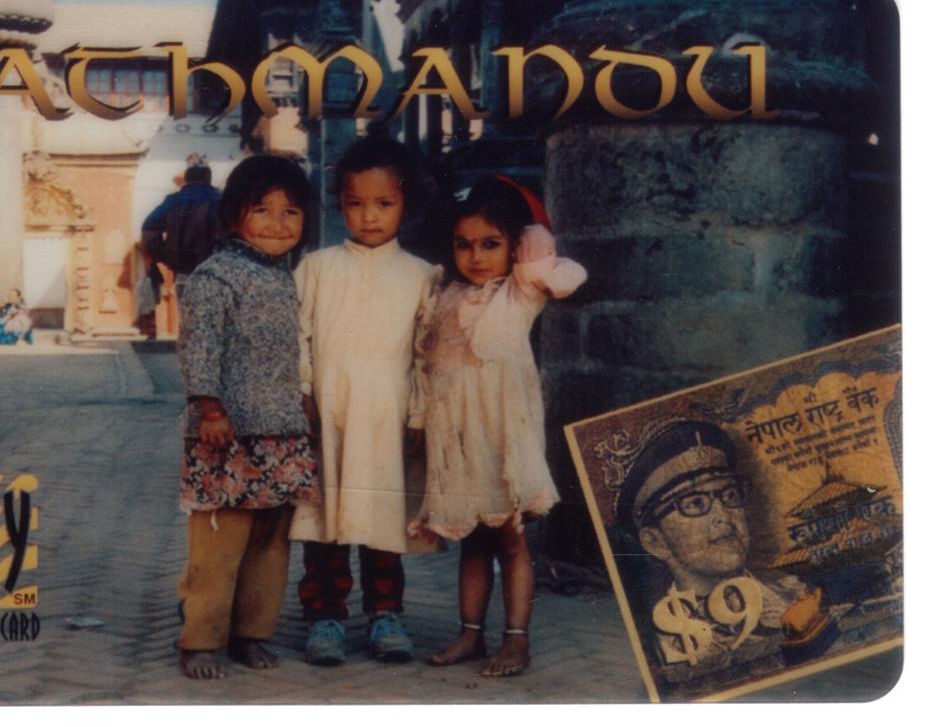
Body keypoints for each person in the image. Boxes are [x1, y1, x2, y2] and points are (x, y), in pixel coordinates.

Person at [408, 176, 587, 677]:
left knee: (510, 539)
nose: (476, 256)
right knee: (473, 540)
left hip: (503, 435)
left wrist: (535, 239)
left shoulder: (520, 290)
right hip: (457, 437)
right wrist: (418, 417)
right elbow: (423, 361)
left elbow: (566, 276)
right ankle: (470, 634)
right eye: (464, 244)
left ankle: (516, 640)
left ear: (514, 246)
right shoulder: (443, 293)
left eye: (491, 244)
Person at [290, 134, 437, 665]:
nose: (369, 216)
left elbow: (426, 353)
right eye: (356, 203)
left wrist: (418, 413)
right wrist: (303, 392)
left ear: (406, 203)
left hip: (386, 416)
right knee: (325, 520)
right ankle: (325, 616)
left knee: (383, 519)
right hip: (328, 415)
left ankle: (385, 614)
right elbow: (298, 335)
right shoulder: (316, 268)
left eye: (384, 203)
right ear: (340, 204)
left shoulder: (422, 276)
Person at [174, 155, 321, 680]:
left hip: (282, 432)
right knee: (219, 544)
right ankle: (200, 640)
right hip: (227, 432)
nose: (278, 224)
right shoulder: (216, 277)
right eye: (263, 210)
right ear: (235, 215)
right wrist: (210, 408)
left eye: (291, 212)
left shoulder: (287, 276)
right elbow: (199, 347)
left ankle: (251, 634)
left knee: (270, 544)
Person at [617, 420, 819, 667]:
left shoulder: (796, 595)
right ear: (655, 542)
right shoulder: (660, 643)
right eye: (695, 503)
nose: (723, 515)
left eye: (730, 495)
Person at [140, 163, 225, 303]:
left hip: (183, 273)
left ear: (186, 179)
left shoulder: (172, 201)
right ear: (208, 178)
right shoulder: (220, 199)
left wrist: (164, 255)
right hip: (216, 273)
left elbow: (149, 229)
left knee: (188, 314)